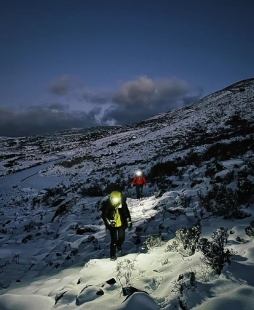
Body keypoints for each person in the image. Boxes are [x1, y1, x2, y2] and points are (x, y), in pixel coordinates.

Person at [101, 191, 132, 260]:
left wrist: (129, 221)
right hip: (113, 226)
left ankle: (119, 245)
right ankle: (112, 254)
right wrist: (109, 222)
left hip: (121, 224)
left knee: (122, 238)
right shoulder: (108, 204)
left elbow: (126, 213)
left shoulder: (123, 204)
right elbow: (104, 215)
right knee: (113, 240)